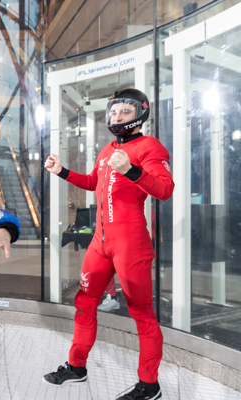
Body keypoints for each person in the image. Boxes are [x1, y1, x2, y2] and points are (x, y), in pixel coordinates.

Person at [42, 88, 174, 400]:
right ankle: (77, 367)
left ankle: (149, 386)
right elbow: (92, 183)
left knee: (141, 312)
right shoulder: (106, 150)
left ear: (140, 114)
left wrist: (131, 170)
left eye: (124, 112)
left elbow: (165, 189)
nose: (116, 117)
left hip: (131, 244)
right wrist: (61, 171)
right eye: (113, 111)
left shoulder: (149, 146)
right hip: (100, 243)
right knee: (84, 302)